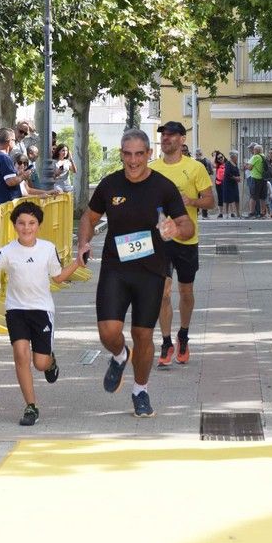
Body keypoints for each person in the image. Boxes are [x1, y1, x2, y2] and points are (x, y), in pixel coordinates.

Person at [77, 129, 193, 418]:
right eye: (127, 154)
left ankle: (140, 391)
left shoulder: (163, 187)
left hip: (151, 272)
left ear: (149, 154)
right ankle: (119, 355)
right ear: (121, 154)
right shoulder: (110, 184)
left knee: (143, 335)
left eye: (139, 154)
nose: (133, 160)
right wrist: (83, 243)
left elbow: (187, 226)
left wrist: (176, 229)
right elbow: (89, 217)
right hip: (115, 268)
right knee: (108, 332)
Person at [0, 201, 82, 426]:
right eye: (21, 223)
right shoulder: (7, 251)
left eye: (31, 223)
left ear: (39, 225)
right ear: (14, 225)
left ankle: (50, 362)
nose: (26, 228)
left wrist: (77, 262)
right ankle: (31, 406)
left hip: (42, 310)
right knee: (20, 354)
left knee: (40, 363)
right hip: (16, 310)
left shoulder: (47, 249)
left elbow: (57, 277)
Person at [150, 121, 214, 367]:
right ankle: (166, 342)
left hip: (187, 239)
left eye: (171, 135)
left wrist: (191, 201)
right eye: (163, 135)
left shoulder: (195, 168)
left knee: (186, 292)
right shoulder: (151, 169)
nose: (165, 138)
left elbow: (210, 202)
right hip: (160, 241)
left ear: (182, 139)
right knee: (163, 292)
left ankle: (183, 335)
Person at [246, 143, 267, 218]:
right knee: (262, 197)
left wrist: (246, 166)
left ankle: (251, 213)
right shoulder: (264, 156)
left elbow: (250, 167)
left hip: (256, 178)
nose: (253, 151)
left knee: (253, 197)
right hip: (263, 179)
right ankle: (262, 213)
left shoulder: (256, 157)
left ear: (256, 150)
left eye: (254, 149)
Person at [194, 149, 215, 219]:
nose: (198, 155)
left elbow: (211, 172)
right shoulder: (194, 162)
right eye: (197, 154)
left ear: (201, 154)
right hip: (197, 183)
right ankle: (198, 214)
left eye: (199, 154)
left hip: (203, 183)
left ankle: (203, 215)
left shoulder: (205, 161)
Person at [223, 151, 242, 218]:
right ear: (233, 157)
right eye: (236, 156)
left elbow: (238, 172)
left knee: (236, 197)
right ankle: (226, 213)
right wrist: (235, 178)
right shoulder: (228, 163)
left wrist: (239, 178)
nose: (237, 158)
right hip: (228, 183)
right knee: (227, 198)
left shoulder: (235, 164)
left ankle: (238, 213)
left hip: (234, 184)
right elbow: (227, 173)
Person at [213, 151, 227, 217]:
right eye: (218, 158)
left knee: (228, 197)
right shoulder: (217, 165)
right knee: (220, 197)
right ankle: (220, 213)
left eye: (221, 157)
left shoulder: (227, 164)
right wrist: (214, 156)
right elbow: (212, 164)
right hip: (218, 183)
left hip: (226, 183)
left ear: (223, 157)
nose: (220, 159)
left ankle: (230, 212)